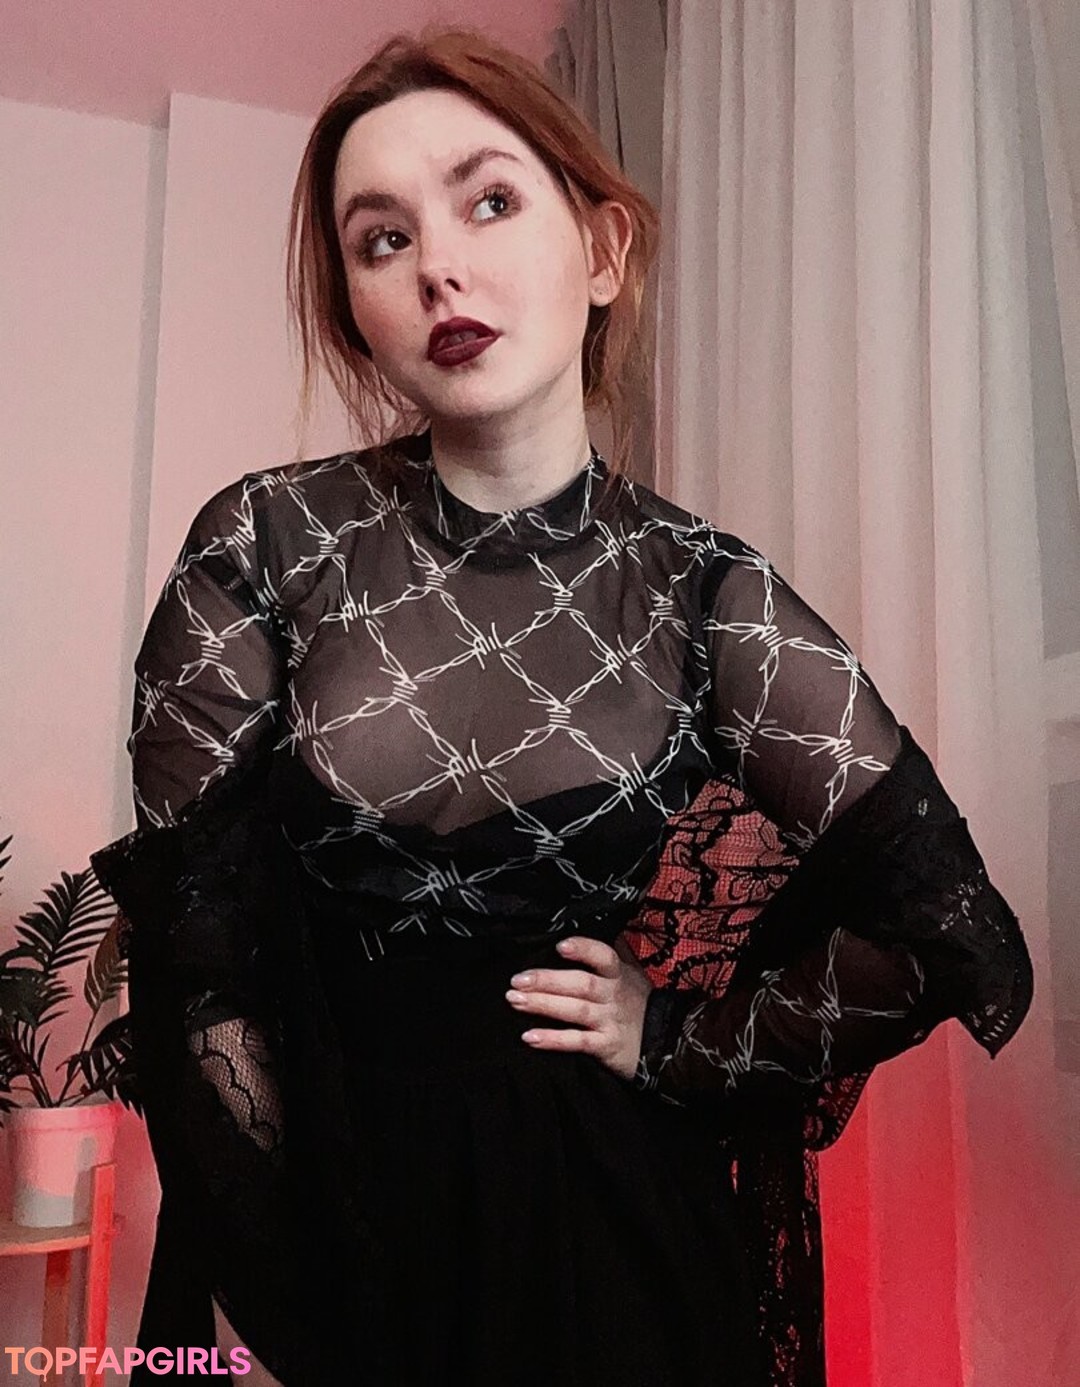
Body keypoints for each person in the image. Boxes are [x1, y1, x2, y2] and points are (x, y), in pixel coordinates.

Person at [90, 26, 1034, 1387]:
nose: (440, 267)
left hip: (609, 1235)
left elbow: (956, 938)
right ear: (356, 311)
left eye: (488, 201)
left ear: (601, 251)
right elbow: (201, 979)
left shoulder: (707, 596)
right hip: (329, 1230)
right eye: (381, 240)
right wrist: (290, 1294)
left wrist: (685, 1044)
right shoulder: (266, 544)